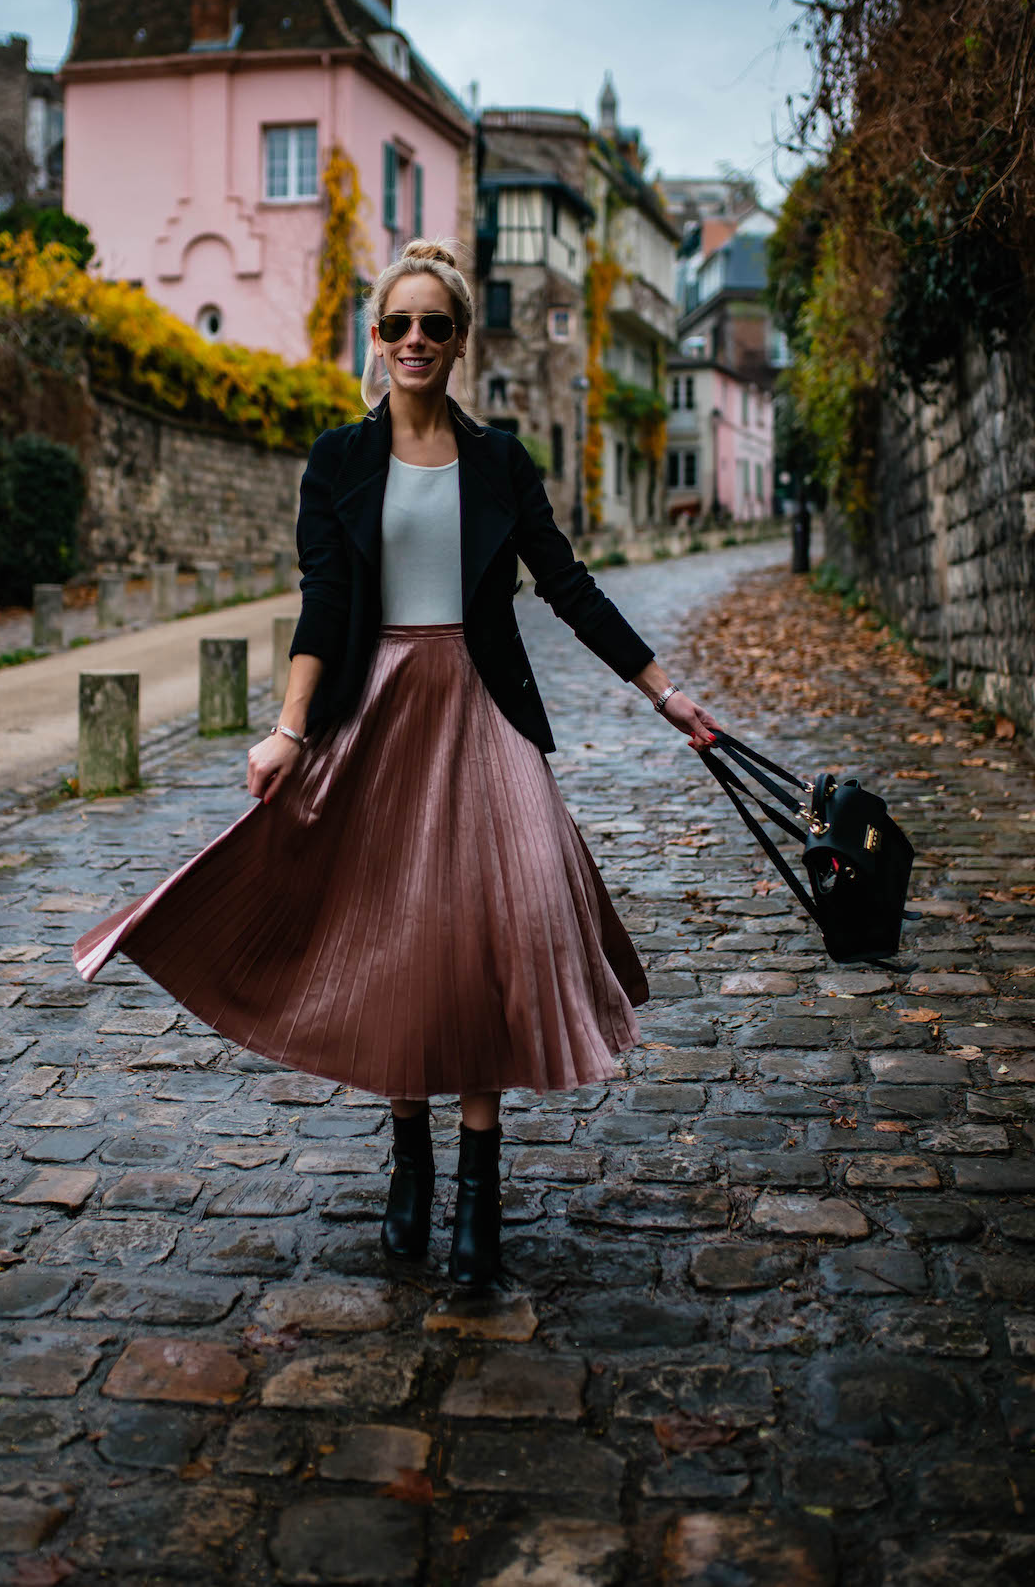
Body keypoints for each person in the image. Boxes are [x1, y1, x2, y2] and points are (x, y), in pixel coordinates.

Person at [73, 238, 717, 1289]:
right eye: (397, 324)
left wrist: (665, 692)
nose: (414, 340)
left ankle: (478, 1188)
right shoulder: (338, 459)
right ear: (375, 339)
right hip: (376, 715)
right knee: (399, 938)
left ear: (460, 341)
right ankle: (409, 1160)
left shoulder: (502, 460)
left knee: (483, 935)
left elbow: (568, 586)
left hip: (483, 711)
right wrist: (290, 727)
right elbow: (325, 601)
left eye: (435, 324)